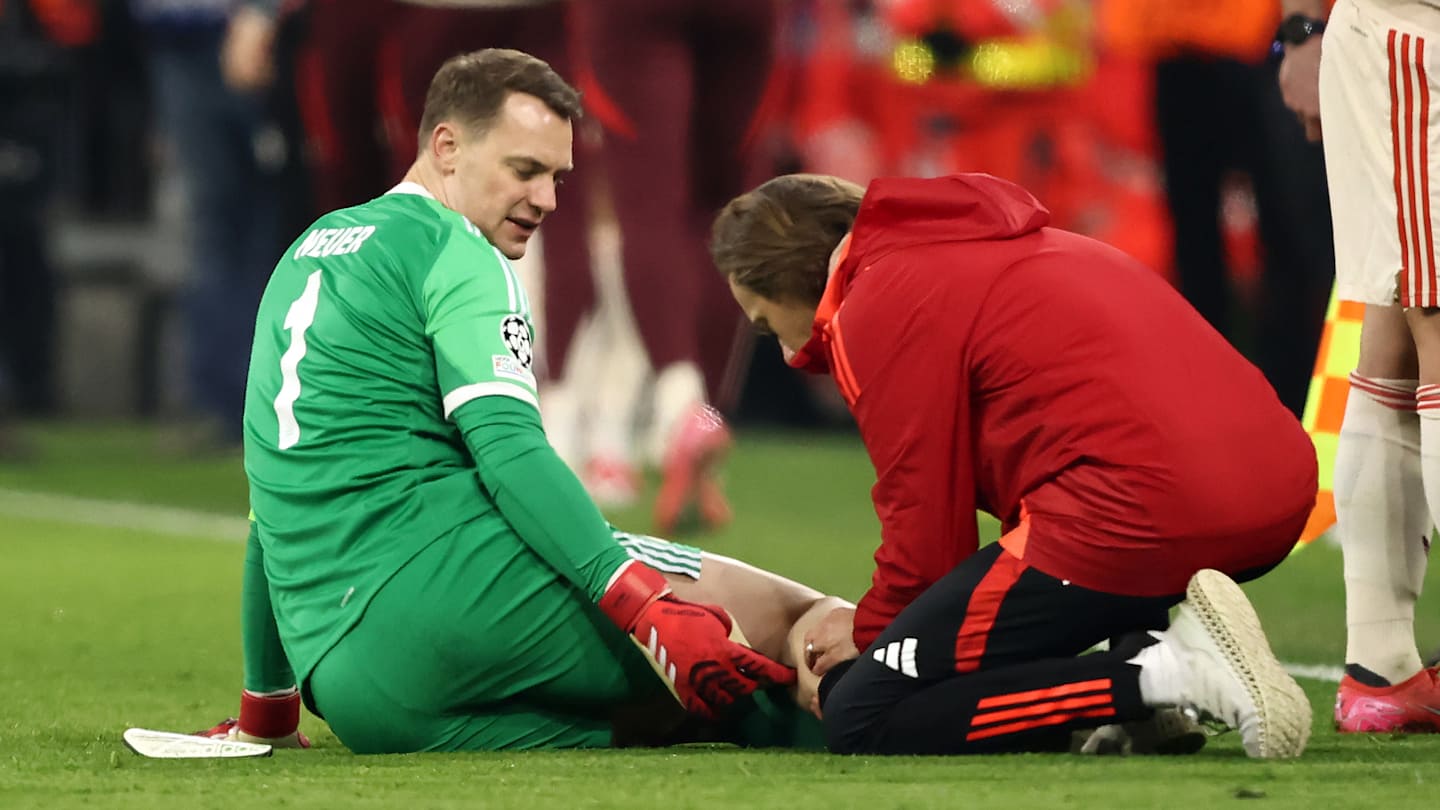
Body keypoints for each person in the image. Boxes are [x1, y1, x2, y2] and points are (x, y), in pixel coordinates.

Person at [236, 49, 795, 754]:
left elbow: (267, 511)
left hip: (355, 694)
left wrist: (266, 709)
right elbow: (509, 449)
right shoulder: (456, 251)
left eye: (558, 177)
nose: (547, 200)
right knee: (786, 627)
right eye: (525, 170)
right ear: (446, 147)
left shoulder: (306, 252)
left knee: (670, 724)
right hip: (452, 612)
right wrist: (642, 603)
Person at [710, 172, 1318, 758]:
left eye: (768, 326)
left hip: (1144, 511)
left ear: (797, 280)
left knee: (861, 708)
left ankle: (1169, 675)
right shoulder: (1003, 245)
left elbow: (925, 531)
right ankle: (1137, 681)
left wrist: (870, 631)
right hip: (1278, 492)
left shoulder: (878, 299)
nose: (786, 352)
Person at [1277, 0, 1440, 733]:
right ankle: (1379, 666)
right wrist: (1303, 29)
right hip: (1413, 36)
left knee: (1394, 340)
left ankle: (1382, 669)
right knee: (1427, 317)